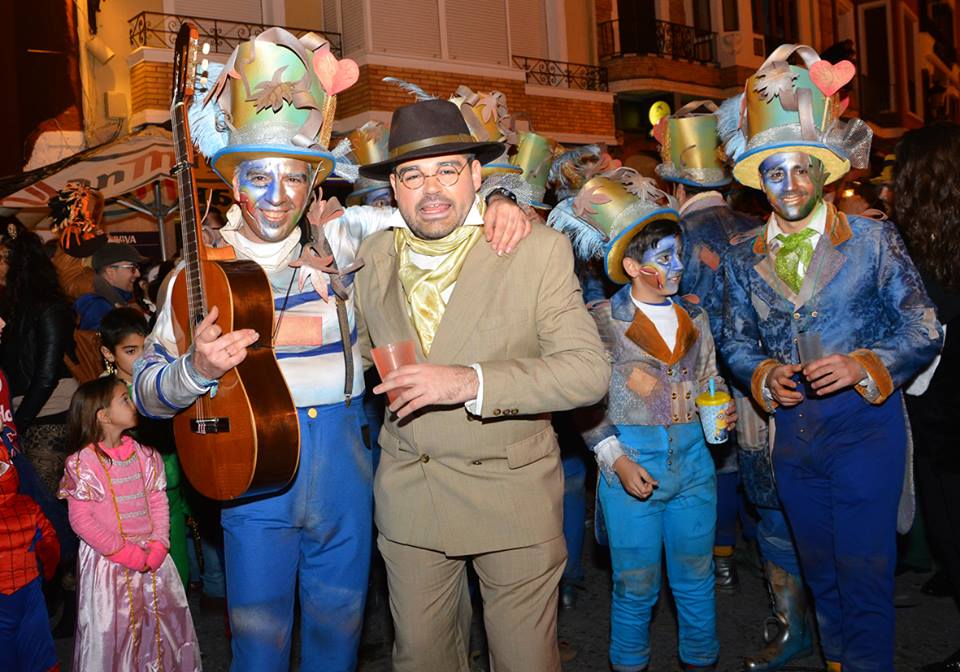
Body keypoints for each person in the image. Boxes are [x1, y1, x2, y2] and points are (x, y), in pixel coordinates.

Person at [133, 28, 528, 672]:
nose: (277, 196)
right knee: (258, 646)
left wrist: (502, 200)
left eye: (293, 179)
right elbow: (143, 391)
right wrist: (192, 370)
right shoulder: (197, 277)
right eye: (259, 177)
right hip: (254, 479)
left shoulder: (348, 245)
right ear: (235, 185)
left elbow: (433, 210)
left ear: (314, 185)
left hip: (345, 466)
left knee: (338, 636)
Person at [353, 97, 610, 672]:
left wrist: (467, 382)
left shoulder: (534, 250)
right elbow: (358, 357)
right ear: (393, 187)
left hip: (511, 495)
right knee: (421, 660)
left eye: (448, 170)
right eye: (413, 176)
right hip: (411, 499)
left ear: (476, 174)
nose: (432, 189)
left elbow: (587, 374)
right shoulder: (370, 259)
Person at [718, 45, 942, 671]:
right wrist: (761, 374)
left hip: (863, 429)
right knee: (819, 573)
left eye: (799, 170)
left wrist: (864, 363)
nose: (788, 185)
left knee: (866, 573)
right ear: (757, 181)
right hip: (793, 433)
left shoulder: (872, 240)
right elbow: (733, 338)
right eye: (773, 173)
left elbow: (924, 325)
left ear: (823, 174)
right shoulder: (740, 257)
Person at [552, 172, 734, 671]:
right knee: (635, 586)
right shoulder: (603, 322)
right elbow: (582, 400)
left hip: (696, 466)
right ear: (632, 266)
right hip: (631, 466)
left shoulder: (694, 319)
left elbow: (709, 376)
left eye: (679, 254)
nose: (678, 266)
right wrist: (614, 457)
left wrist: (720, 408)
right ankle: (629, 662)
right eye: (664, 258)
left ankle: (701, 659)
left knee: (696, 579)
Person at [58, 375, 199, 670]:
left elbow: (158, 501)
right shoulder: (83, 464)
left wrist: (160, 544)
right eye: (124, 398)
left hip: (154, 560)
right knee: (116, 633)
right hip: (109, 567)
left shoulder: (145, 454)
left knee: (161, 630)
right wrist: (126, 553)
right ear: (104, 415)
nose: (133, 402)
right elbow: (82, 521)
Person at [893, 123, 960, 672]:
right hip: (943, 411)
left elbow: (923, 319)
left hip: (947, 419)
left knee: (950, 524)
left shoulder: (928, 253)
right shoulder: (930, 243)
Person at [0, 434, 60, 672]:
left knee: (37, 647)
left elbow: (49, 538)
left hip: (30, 592)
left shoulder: (28, 505)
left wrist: (49, 560)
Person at [74, 243, 146, 330]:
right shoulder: (97, 305)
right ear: (110, 272)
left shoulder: (112, 299)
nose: (138, 274)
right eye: (132, 268)